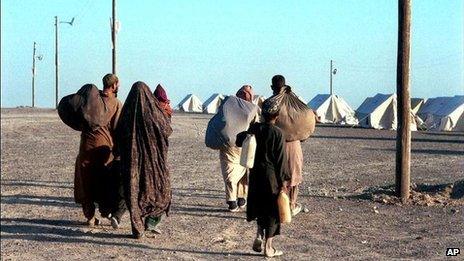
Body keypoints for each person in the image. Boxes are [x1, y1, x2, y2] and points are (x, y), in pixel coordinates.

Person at [116, 81, 173, 239]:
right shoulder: (156, 114)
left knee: (133, 193)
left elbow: (119, 134)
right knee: (161, 191)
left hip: (131, 163)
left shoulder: (126, 115)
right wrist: (166, 113)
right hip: (154, 163)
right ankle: (150, 223)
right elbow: (166, 130)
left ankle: (138, 227)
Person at [236, 99, 290, 258]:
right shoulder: (277, 133)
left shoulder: (254, 128)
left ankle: (259, 233)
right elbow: (280, 161)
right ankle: (269, 247)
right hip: (271, 176)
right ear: (277, 116)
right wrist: (283, 183)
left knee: (259, 205)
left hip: (255, 174)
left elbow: (239, 140)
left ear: (263, 113)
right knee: (272, 212)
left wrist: (249, 130)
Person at [74, 73, 123, 227]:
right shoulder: (115, 103)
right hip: (104, 149)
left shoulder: (91, 102)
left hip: (85, 147)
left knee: (86, 180)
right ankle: (106, 211)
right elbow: (117, 129)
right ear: (114, 86)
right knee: (104, 181)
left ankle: (89, 216)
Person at [270, 75, 304, 216]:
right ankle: (291, 205)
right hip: (294, 144)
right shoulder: (295, 103)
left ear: (272, 87)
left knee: (277, 176)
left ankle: (277, 205)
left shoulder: (271, 103)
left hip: (275, 146)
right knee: (294, 175)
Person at [219, 85, 255, 212]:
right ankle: (241, 197)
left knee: (230, 171)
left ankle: (232, 200)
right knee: (242, 169)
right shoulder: (252, 109)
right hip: (243, 144)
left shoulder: (228, 105)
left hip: (228, 144)